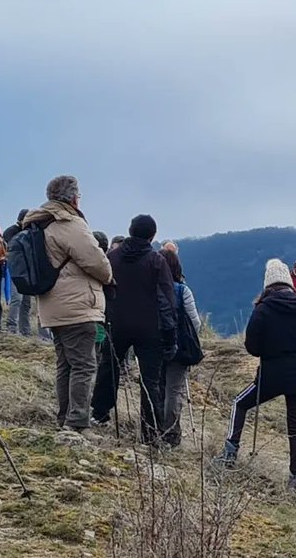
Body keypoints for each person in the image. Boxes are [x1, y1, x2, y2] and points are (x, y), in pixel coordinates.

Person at [219, 259, 296, 490]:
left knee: (240, 403)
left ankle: (230, 453)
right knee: (295, 428)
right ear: (289, 282)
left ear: (267, 283)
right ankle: (295, 480)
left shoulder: (263, 309)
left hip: (271, 372)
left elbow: (252, 347)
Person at [22, 176, 113, 433]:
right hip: (78, 306)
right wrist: (108, 275)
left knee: (65, 365)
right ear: (73, 198)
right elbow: (97, 262)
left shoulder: (40, 222)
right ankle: (77, 422)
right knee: (84, 365)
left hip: (52, 306)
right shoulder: (69, 223)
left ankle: (65, 418)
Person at [91, 214, 176, 445]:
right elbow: (167, 300)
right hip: (149, 328)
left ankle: (99, 413)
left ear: (129, 230)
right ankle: (150, 434)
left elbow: (103, 288)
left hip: (116, 323)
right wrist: (170, 336)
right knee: (151, 380)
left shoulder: (112, 257)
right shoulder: (156, 261)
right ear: (153, 235)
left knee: (109, 366)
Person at [161, 247, 201, 447]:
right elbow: (195, 322)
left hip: (152, 346)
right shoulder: (182, 290)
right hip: (178, 346)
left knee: (154, 387)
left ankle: (152, 429)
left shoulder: (149, 289)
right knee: (173, 390)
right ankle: (171, 434)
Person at [2, 210, 33, 336]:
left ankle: (25, 330)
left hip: (28, 270)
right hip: (15, 269)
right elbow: (12, 250)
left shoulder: (30, 232)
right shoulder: (11, 232)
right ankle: (11, 326)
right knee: (17, 298)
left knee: (27, 302)